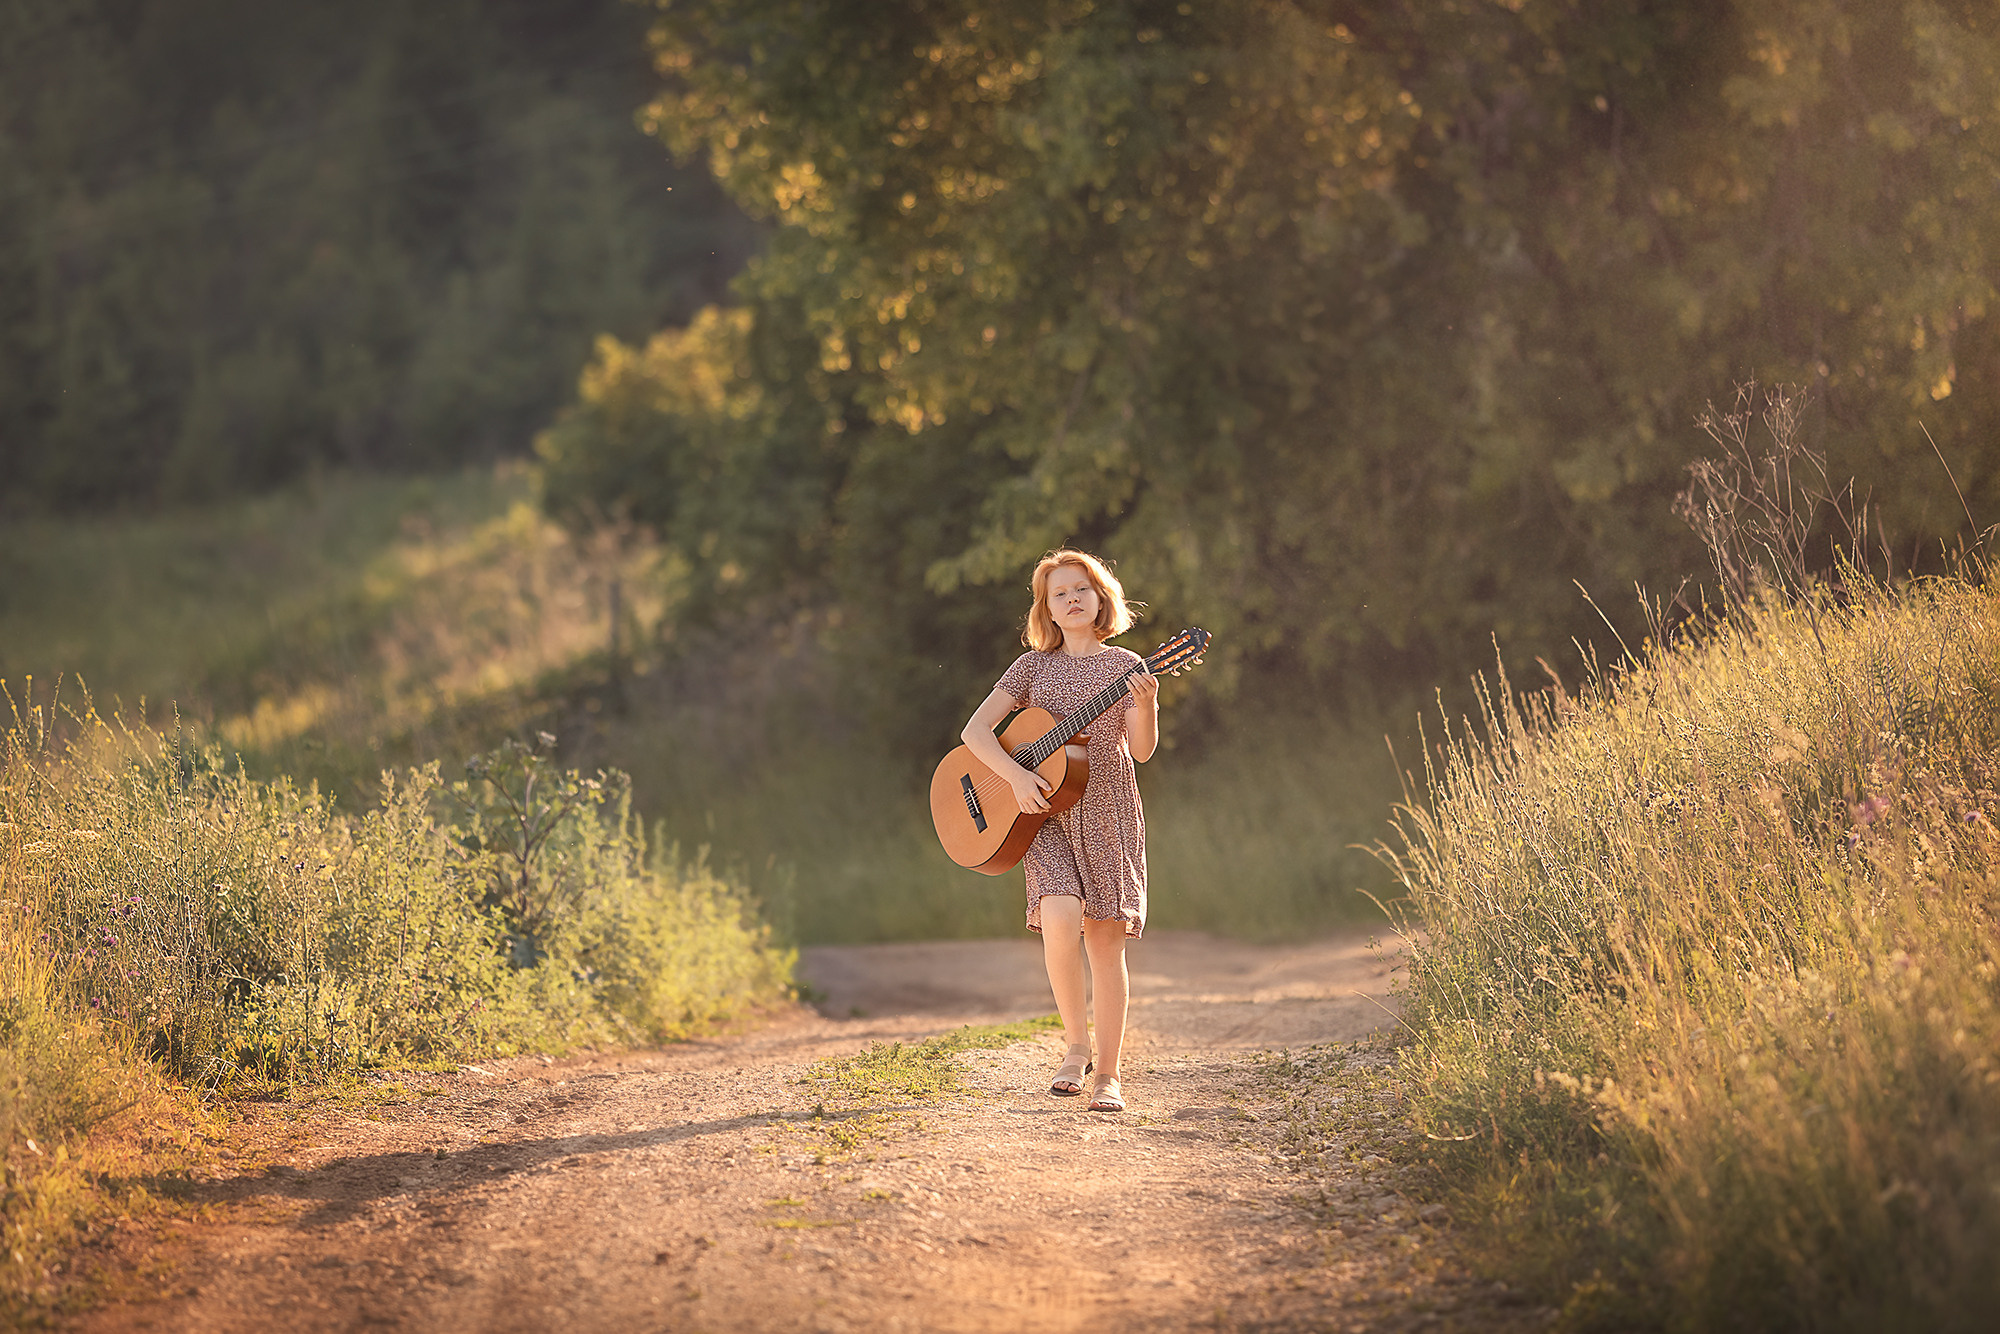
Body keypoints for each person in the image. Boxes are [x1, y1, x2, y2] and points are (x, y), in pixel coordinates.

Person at [958, 549, 1159, 1113]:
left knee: (1105, 940)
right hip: (1042, 812)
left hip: (1108, 811)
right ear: (1046, 609)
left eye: (1081, 590)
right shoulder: (1031, 668)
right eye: (1059, 594)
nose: (1071, 600)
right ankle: (1075, 1047)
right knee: (1060, 918)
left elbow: (1142, 751)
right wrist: (1016, 776)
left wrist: (1147, 707)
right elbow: (975, 732)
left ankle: (1109, 1075)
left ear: (1101, 598)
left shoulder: (1126, 666)